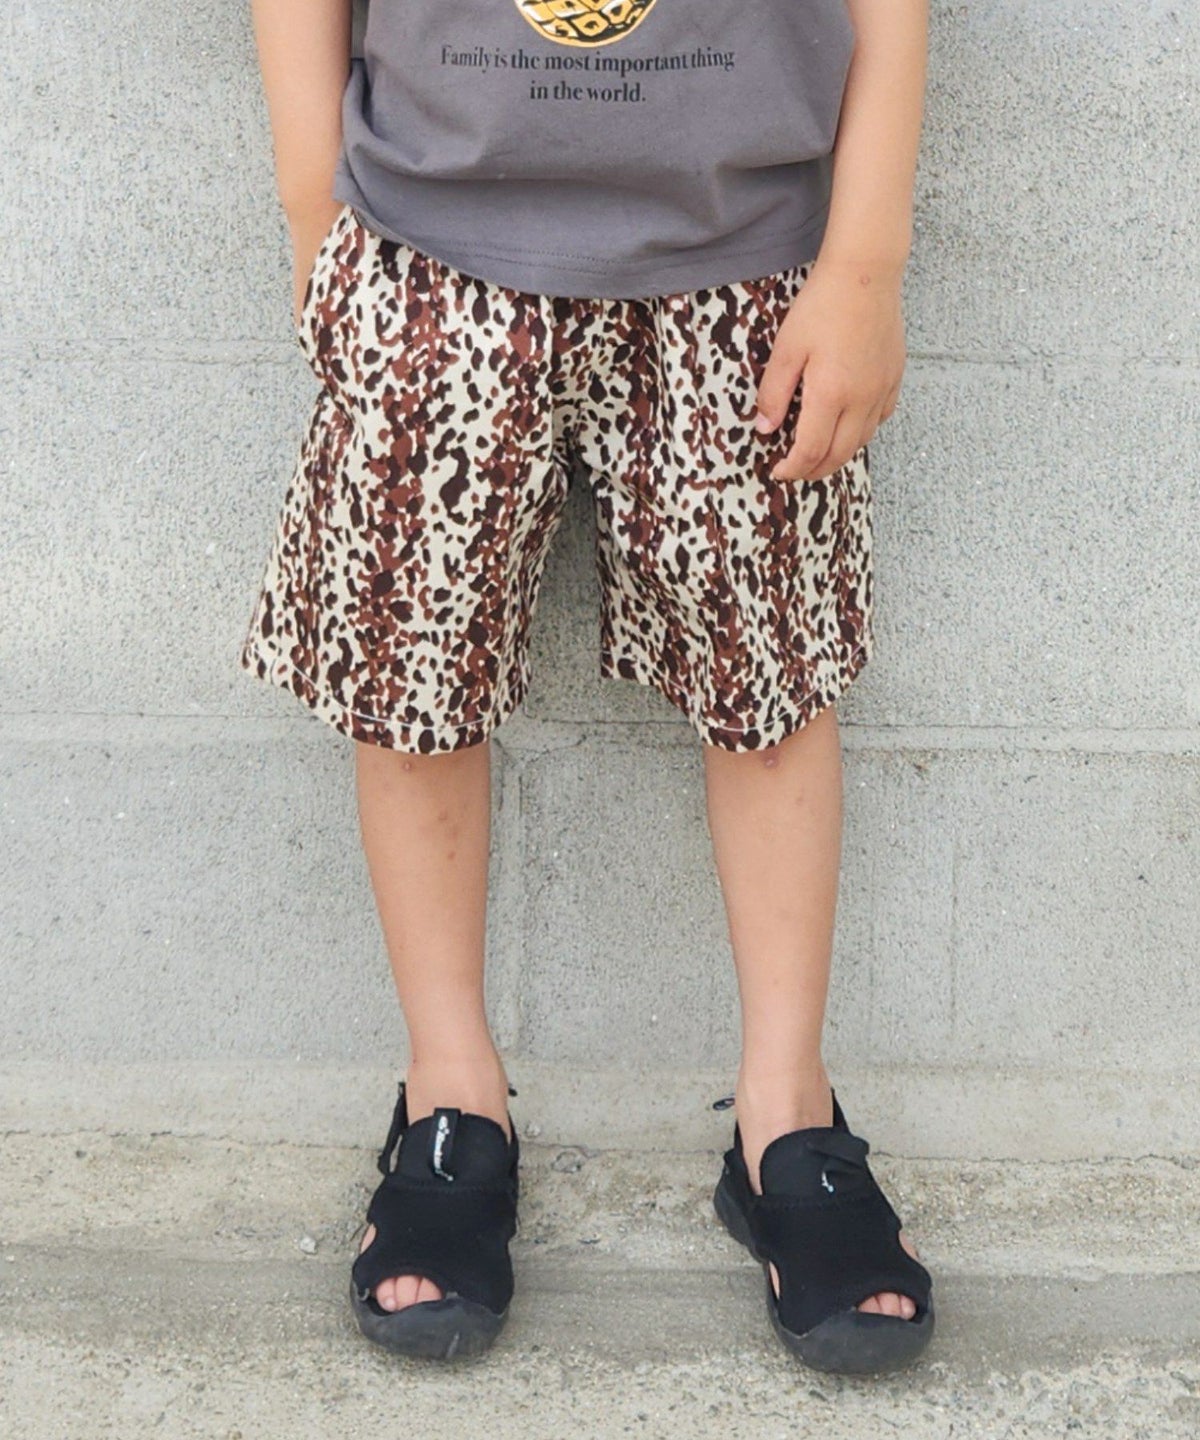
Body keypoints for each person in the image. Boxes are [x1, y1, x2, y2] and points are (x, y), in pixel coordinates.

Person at [241, 0, 934, 1374]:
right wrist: (316, 212)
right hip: (430, 244)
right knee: (415, 681)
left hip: (748, 255)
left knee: (768, 682)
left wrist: (866, 258)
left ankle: (786, 1113)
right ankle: (452, 1099)